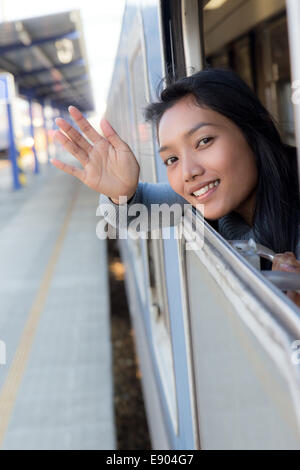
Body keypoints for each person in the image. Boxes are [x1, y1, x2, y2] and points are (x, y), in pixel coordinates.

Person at [51, 67, 300, 306]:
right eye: (172, 159)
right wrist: (120, 194)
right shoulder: (205, 196)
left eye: (203, 141)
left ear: (256, 129)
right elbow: (135, 213)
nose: (188, 172)